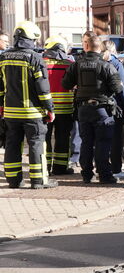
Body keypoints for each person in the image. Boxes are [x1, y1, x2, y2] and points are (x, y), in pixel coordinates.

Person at [0, 21, 57, 189]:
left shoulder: (3, 57)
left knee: (12, 145)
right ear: (31, 39)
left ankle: (13, 180)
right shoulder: (35, 58)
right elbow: (43, 88)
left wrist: (1, 106)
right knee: (36, 144)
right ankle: (38, 181)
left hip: (10, 113)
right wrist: (49, 108)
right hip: (32, 113)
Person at [62, 31, 123, 184]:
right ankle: (104, 175)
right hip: (102, 110)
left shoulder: (76, 65)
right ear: (99, 48)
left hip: (83, 110)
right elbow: (118, 89)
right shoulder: (106, 66)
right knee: (103, 143)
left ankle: (86, 174)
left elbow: (65, 84)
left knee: (86, 143)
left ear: (87, 46)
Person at [42, 35, 76, 175]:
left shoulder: (40, 63)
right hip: (65, 108)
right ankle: (60, 168)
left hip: (45, 109)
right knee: (63, 138)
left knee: (45, 138)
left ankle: (45, 167)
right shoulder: (69, 64)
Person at [101, 38, 124, 177]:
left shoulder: (98, 62)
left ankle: (101, 169)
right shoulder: (116, 64)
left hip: (99, 107)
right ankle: (116, 170)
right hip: (115, 108)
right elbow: (122, 88)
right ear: (114, 50)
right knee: (115, 141)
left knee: (101, 140)